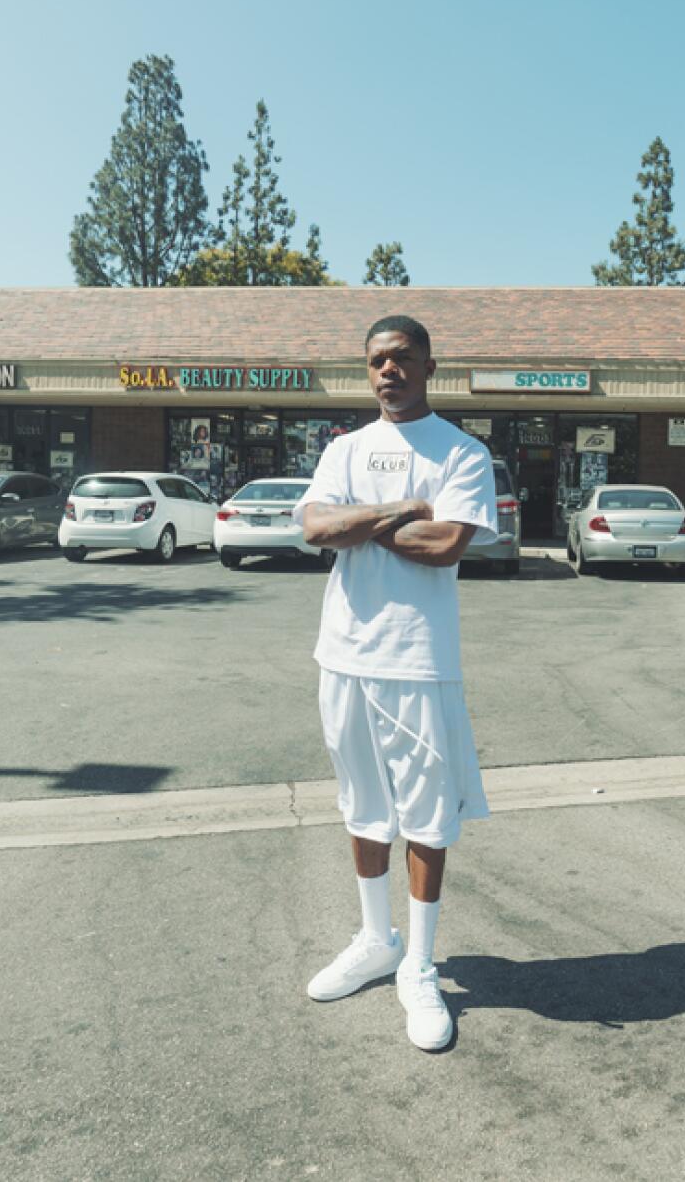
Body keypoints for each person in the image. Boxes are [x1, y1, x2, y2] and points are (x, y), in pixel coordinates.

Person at [296, 315, 497, 1052]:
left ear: (429, 366)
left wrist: (362, 521)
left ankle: (418, 961)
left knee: (426, 815)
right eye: (378, 360)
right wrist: (400, 509)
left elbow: (444, 545)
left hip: (418, 659)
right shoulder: (345, 448)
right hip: (344, 654)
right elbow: (316, 529)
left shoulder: (462, 452)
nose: (390, 371)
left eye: (404, 358)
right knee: (362, 802)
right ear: (368, 370)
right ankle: (374, 938)